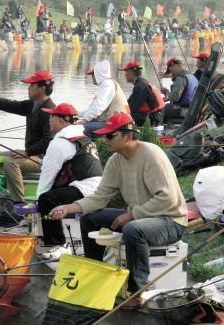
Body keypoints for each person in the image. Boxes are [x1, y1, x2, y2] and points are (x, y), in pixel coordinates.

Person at [49, 112, 187, 307]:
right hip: (141, 217)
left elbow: (167, 199)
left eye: (110, 136)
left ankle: (137, 291)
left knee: (133, 229)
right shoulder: (115, 160)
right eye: (104, 136)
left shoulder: (152, 155)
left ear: (128, 135)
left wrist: (131, 214)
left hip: (170, 221)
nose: (105, 140)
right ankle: (96, 274)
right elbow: (100, 197)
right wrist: (69, 207)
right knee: (90, 219)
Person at [0, 71, 55, 203]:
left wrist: (27, 152)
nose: (28, 88)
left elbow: (49, 141)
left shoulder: (49, 111)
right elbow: (9, 105)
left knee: (11, 162)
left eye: (31, 85)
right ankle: (3, 195)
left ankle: (18, 203)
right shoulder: (32, 105)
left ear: (42, 88)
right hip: (32, 155)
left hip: (43, 158)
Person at [35, 103, 102, 256]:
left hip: (85, 188)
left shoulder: (59, 143)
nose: (48, 120)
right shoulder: (83, 137)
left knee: (46, 199)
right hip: (98, 187)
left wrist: (37, 203)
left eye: (51, 116)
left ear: (61, 120)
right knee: (52, 195)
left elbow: (47, 176)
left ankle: (57, 244)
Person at [80, 60, 129, 137]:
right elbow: (93, 108)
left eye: (93, 74)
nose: (92, 77)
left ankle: (92, 146)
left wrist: (84, 120)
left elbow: (99, 106)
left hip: (118, 123)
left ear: (97, 74)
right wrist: (77, 114)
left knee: (84, 128)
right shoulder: (107, 84)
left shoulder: (107, 85)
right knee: (86, 121)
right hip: (114, 120)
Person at [119, 61, 165, 126]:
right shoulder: (141, 82)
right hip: (156, 115)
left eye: (126, 72)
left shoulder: (140, 87)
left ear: (131, 73)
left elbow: (132, 108)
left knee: (121, 119)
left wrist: (120, 112)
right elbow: (130, 102)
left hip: (154, 118)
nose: (125, 74)